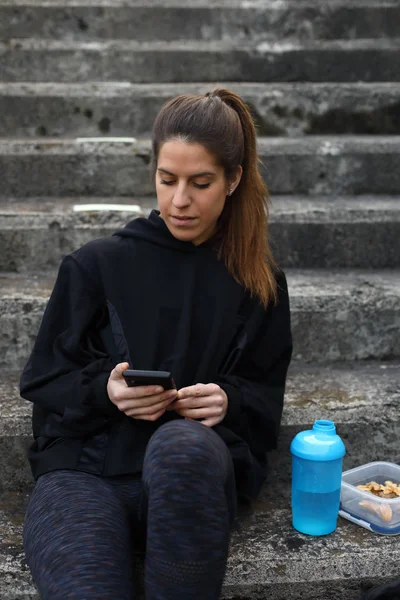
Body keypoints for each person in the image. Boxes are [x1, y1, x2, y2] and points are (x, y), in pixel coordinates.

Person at [20, 88, 292, 599]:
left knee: (180, 446)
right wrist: (108, 390)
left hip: (191, 475)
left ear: (234, 179)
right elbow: (43, 378)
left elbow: (264, 396)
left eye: (201, 182)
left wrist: (228, 399)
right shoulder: (96, 264)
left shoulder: (259, 281)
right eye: (167, 181)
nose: (180, 200)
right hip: (86, 472)